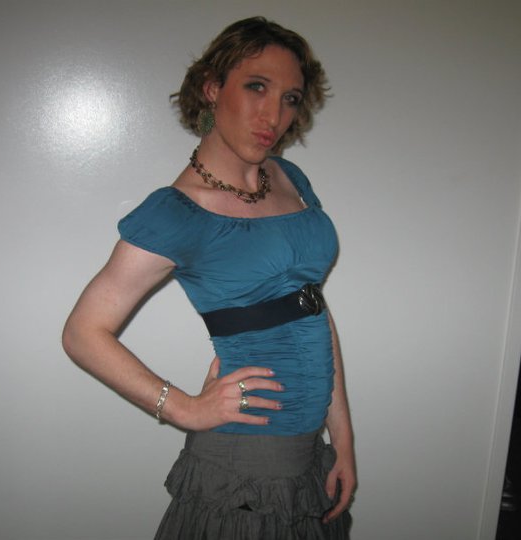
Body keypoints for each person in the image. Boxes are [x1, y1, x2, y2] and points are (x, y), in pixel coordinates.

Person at [62, 16, 356, 539]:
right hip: (244, 464)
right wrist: (183, 409)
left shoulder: (291, 179)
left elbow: (311, 306)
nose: (273, 115)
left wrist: (344, 441)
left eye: (290, 98)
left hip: (308, 453)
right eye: (256, 87)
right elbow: (83, 333)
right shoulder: (178, 212)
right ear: (212, 87)